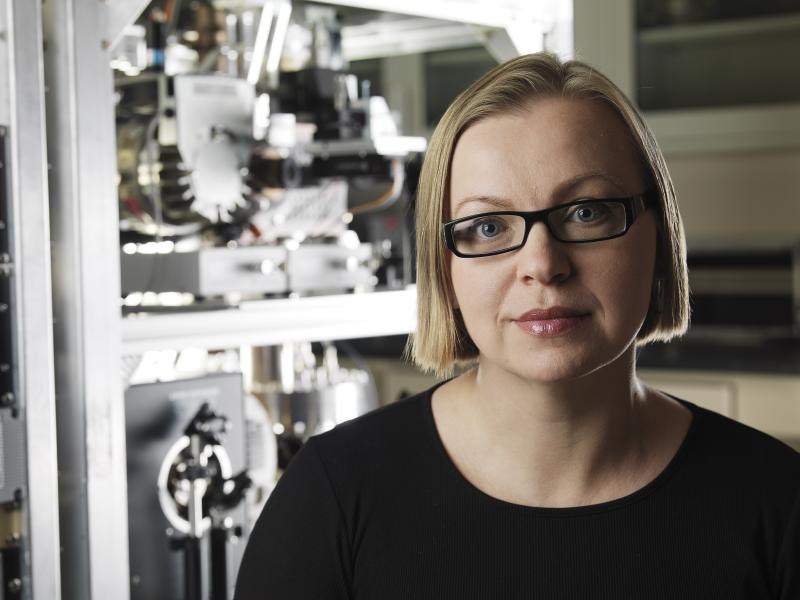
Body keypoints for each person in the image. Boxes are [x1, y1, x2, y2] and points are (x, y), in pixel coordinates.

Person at [234, 53, 799, 599]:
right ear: (443, 265)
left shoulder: (778, 502)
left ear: (658, 235)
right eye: (486, 227)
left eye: (586, 212)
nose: (542, 264)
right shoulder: (332, 495)